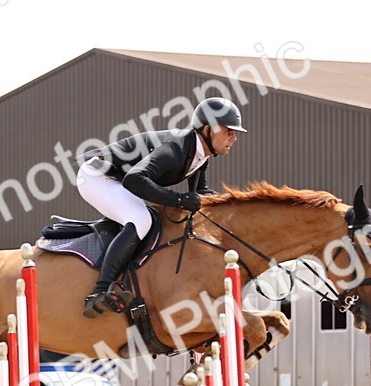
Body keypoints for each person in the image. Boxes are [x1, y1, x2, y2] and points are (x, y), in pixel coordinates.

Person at [76, 97, 246, 318]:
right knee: (141, 220)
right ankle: (100, 292)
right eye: (228, 131)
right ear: (207, 129)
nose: (234, 137)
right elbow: (134, 180)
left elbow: (201, 194)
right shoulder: (176, 148)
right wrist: (178, 200)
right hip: (98, 175)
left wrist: (232, 207)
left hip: (119, 178)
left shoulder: (201, 155)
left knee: (151, 219)